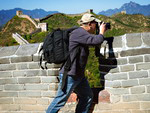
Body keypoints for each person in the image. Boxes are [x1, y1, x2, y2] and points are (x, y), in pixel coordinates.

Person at [46, 13, 107, 113]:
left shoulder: (81, 33)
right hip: (70, 74)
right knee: (60, 100)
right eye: (95, 23)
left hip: (78, 75)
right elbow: (96, 40)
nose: (96, 25)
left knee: (87, 96)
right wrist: (101, 32)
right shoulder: (79, 32)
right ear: (90, 24)